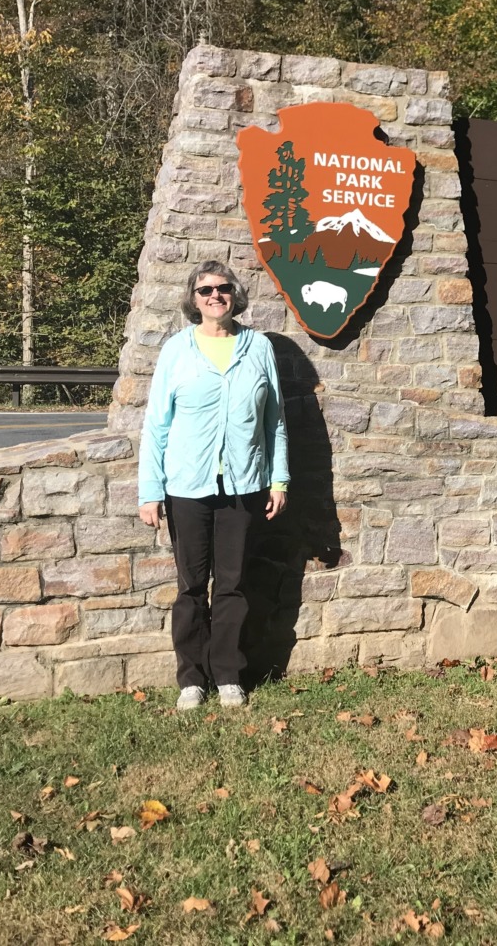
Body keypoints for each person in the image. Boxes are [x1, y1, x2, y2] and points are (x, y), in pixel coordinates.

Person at [138, 260, 289, 709]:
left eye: (223, 288)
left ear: (235, 295)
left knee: (232, 584)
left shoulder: (258, 347)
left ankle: (226, 674)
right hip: (187, 486)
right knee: (190, 586)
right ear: (194, 299)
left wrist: (279, 479)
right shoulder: (176, 350)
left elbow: (275, 421)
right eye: (205, 290)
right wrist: (150, 490)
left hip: (244, 485)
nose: (215, 296)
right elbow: (156, 425)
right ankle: (191, 679)